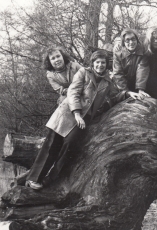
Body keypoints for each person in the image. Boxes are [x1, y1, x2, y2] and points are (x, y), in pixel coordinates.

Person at [26, 50, 128, 190]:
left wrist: (128, 93)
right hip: (67, 113)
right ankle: (34, 178)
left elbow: (114, 96)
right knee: (51, 146)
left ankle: (51, 180)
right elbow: (72, 92)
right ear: (92, 64)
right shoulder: (83, 73)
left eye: (103, 63)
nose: (100, 65)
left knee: (68, 148)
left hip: (84, 120)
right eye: (97, 62)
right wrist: (77, 113)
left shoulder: (107, 81)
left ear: (106, 64)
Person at [113, 28, 150, 100]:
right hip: (121, 86)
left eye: (133, 39)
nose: (131, 42)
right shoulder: (118, 54)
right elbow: (118, 74)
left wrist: (140, 89)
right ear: (123, 42)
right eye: (127, 40)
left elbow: (142, 70)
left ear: (137, 40)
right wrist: (126, 92)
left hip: (137, 84)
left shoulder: (143, 51)